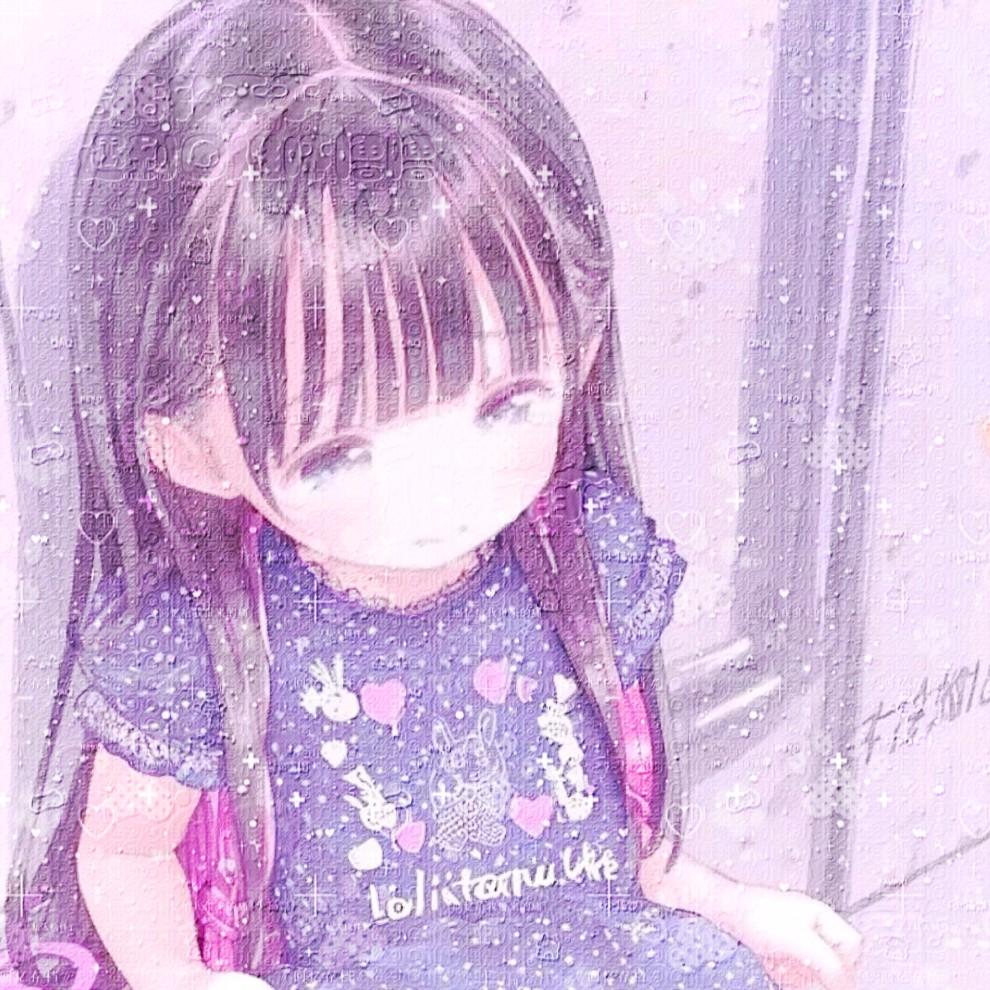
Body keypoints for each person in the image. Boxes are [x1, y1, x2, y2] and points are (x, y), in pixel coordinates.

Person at [0, 2, 863, 988]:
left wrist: (731, 907)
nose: (440, 484)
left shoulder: (582, 557)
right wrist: (177, 974)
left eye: (505, 400)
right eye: (336, 452)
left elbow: (619, 825)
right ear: (187, 447)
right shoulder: (203, 640)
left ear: (578, 345)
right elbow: (123, 850)